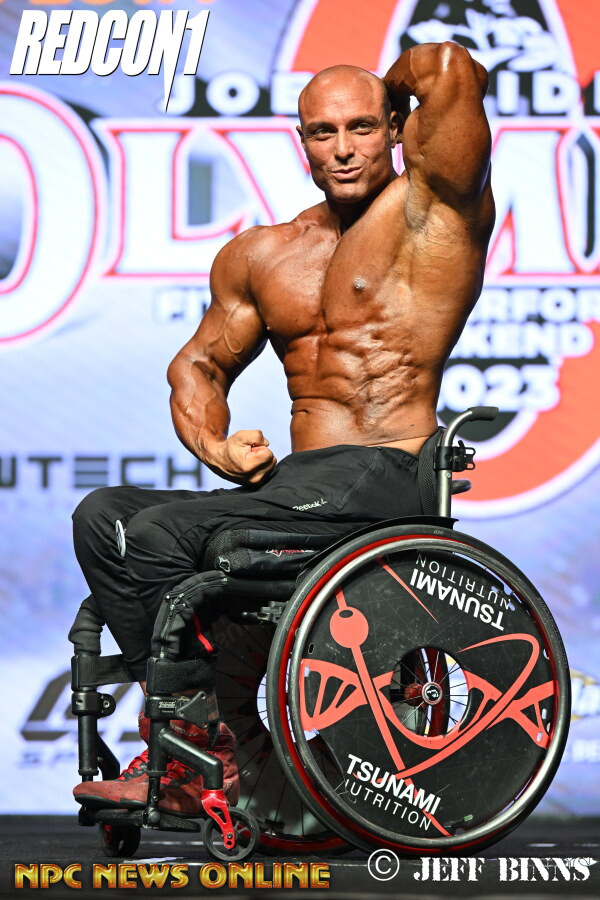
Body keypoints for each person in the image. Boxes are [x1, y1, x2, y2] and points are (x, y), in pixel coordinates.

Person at [72, 41, 495, 814]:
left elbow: (447, 68)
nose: (343, 149)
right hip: (300, 485)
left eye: (362, 126)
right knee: (105, 518)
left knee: (162, 534)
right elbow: (197, 366)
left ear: (396, 127)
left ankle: (195, 748)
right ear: (301, 142)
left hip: (386, 470)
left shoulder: (435, 213)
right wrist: (217, 447)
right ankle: (204, 736)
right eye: (323, 132)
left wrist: (386, 88)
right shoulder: (266, 254)